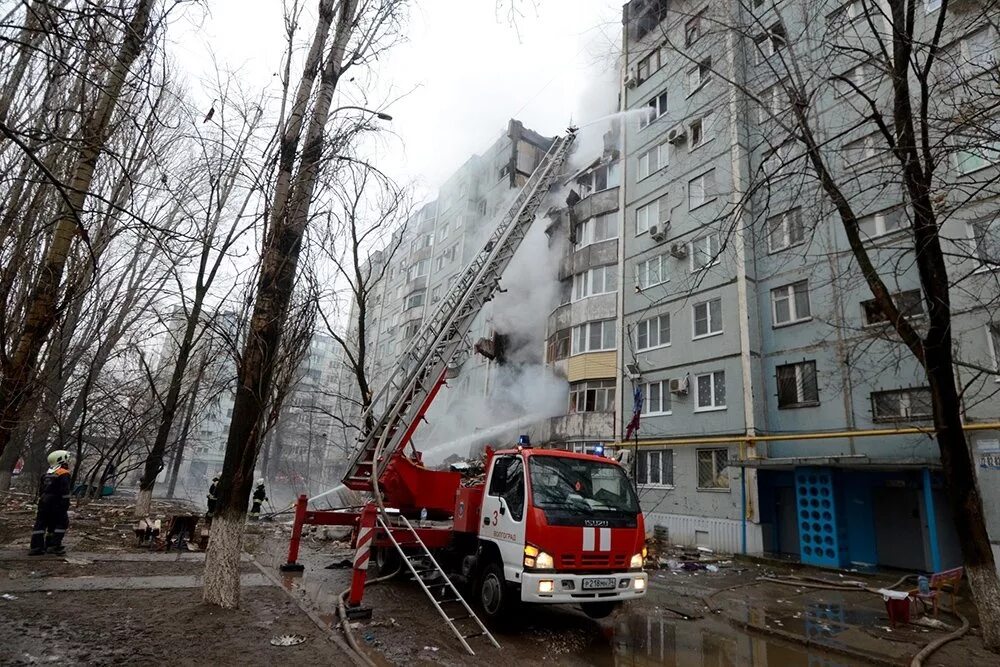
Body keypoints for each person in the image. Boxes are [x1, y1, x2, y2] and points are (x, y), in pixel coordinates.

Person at [30, 450, 72, 556]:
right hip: (56, 503)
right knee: (61, 523)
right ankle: (54, 545)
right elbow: (65, 491)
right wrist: (65, 504)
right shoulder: (63, 473)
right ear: (62, 460)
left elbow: (41, 490)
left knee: (41, 524)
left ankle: (36, 547)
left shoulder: (47, 474)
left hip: (44, 503)